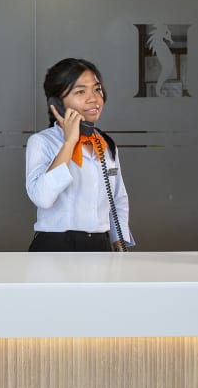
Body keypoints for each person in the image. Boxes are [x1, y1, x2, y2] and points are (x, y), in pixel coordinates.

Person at [25, 58, 134, 252]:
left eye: (97, 89)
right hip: (55, 247)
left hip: (100, 245)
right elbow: (42, 198)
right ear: (57, 103)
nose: (93, 98)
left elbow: (118, 199)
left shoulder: (105, 144)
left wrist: (120, 243)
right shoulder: (42, 142)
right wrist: (69, 142)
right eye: (81, 91)